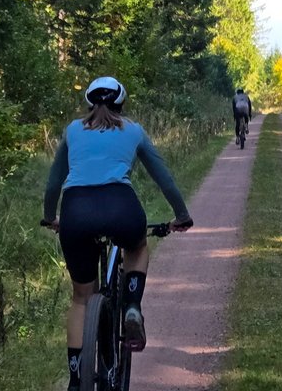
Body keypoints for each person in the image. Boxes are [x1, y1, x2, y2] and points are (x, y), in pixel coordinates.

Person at [42, 76, 194, 391]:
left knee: (81, 298)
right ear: (121, 103)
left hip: (76, 213)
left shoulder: (72, 131)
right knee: (137, 247)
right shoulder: (133, 131)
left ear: (89, 102)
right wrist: (181, 214)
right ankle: (133, 307)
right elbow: (163, 177)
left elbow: (53, 184)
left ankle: (75, 379)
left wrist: (50, 218)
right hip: (121, 208)